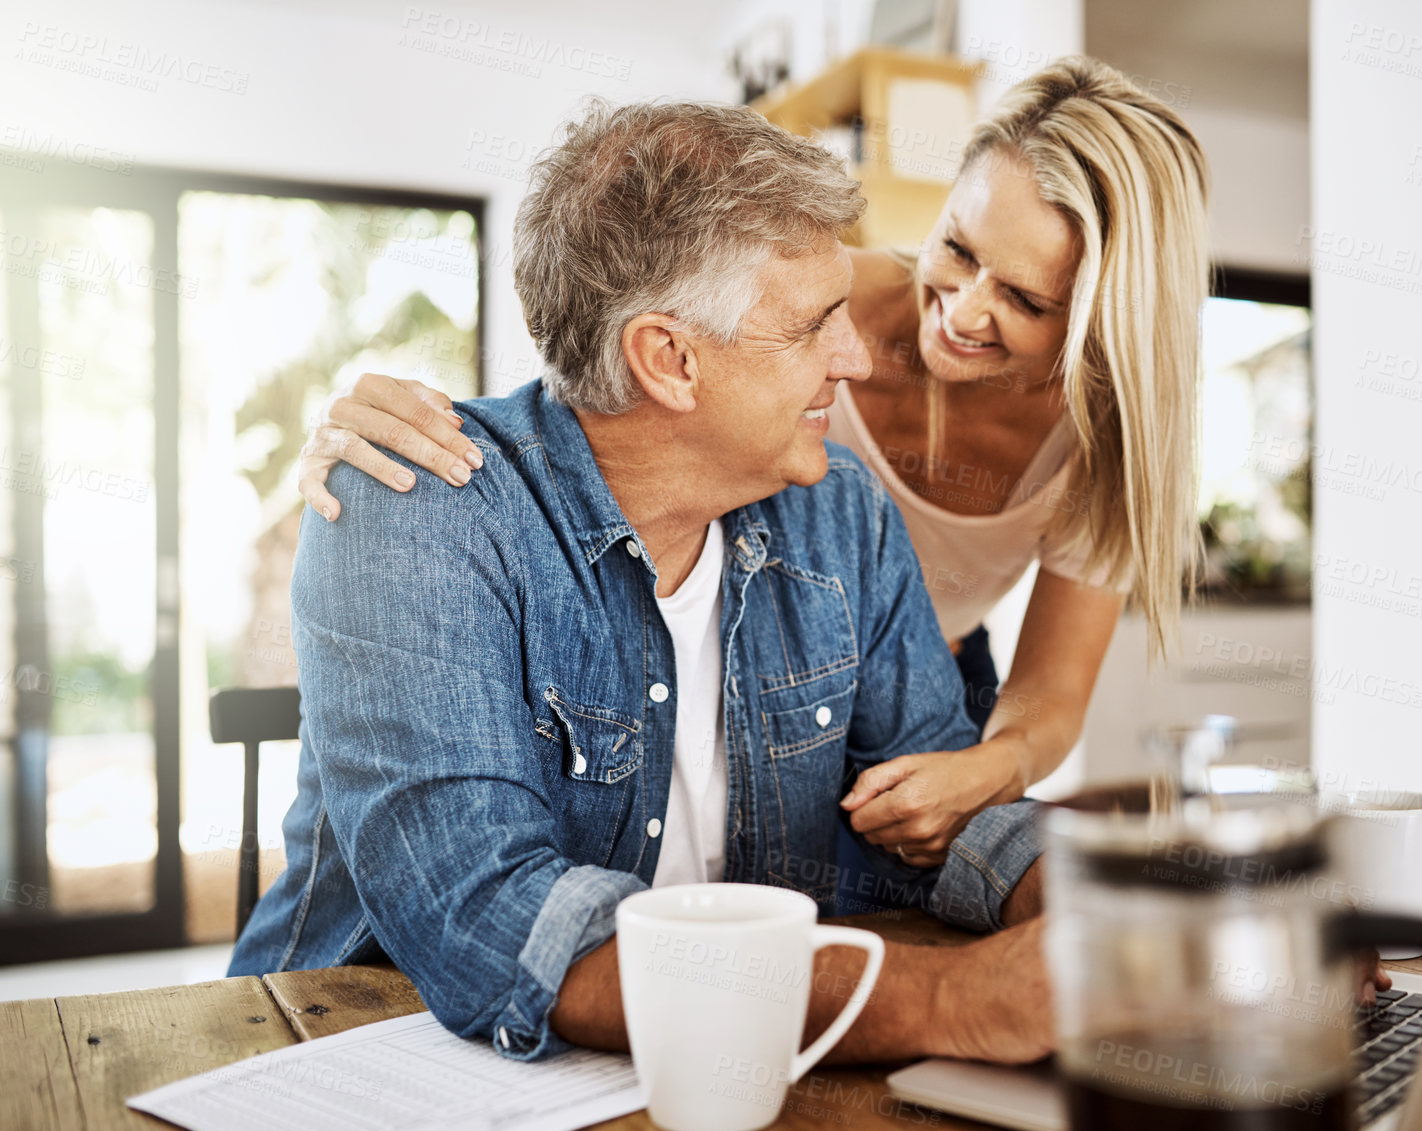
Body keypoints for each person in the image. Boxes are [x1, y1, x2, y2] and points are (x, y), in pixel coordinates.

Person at [229, 99, 1063, 1063]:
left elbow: (950, 811)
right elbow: (497, 918)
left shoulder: (842, 514)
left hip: (709, 1066)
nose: (859, 356)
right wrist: (949, 1001)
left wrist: (1106, 915)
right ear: (669, 358)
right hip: (365, 1058)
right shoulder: (417, 510)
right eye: (813, 324)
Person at [297, 58, 1211, 873]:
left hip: (904, 676)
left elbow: (1044, 703)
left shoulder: (1090, 450)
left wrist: (999, 781)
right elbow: (608, 366)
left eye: (1023, 298)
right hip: (708, 625)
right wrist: (406, 447)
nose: (962, 310)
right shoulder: (804, 294)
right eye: (958, 249)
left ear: (1097, 321)